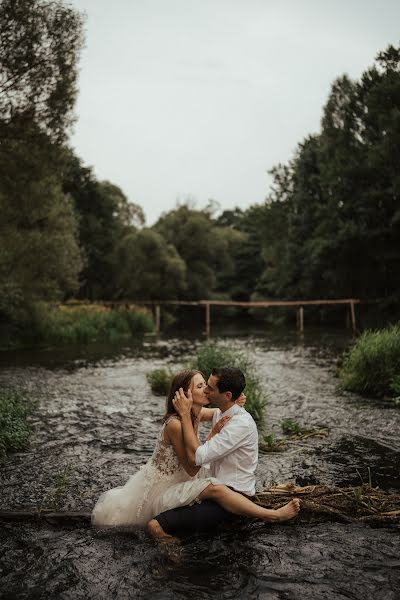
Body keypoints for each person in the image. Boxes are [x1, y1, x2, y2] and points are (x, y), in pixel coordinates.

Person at [92, 367, 300, 533]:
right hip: (164, 486)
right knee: (214, 486)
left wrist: (233, 399)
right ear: (185, 394)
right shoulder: (176, 423)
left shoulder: (196, 412)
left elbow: (220, 409)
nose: (207, 390)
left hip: (183, 476)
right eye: (201, 386)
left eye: (207, 386)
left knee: (215, 483)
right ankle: (272, 515)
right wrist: (213, 433)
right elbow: (192, 468)